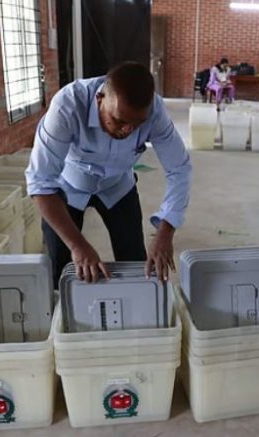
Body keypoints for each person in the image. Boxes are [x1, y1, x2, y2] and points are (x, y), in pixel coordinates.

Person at [25, 62, 192, 287]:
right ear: (100, 99)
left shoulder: (154, 111)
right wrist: (78, 246)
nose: (128, 130)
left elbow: (179, 168)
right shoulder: (67, 106)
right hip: (68, 187)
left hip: (118, 186)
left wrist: (166, 232)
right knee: (61, 271)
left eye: (137, 124)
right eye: (120, 121)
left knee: (136, 266)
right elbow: (39, 182)